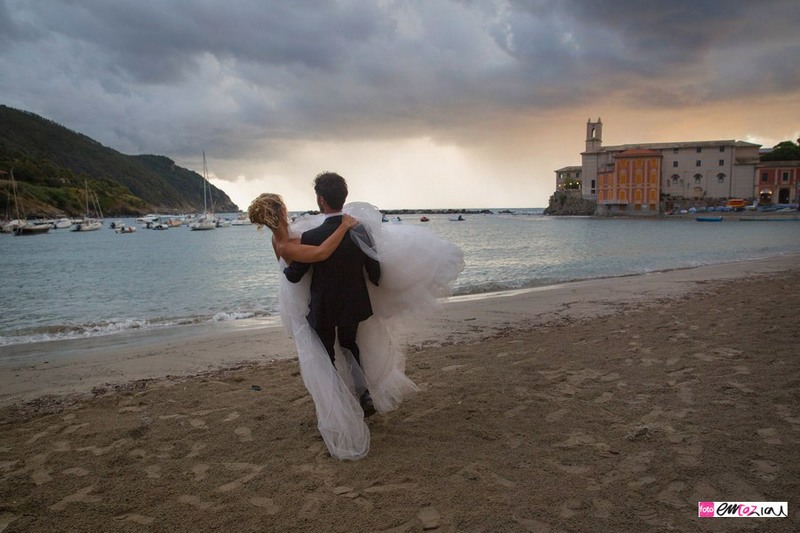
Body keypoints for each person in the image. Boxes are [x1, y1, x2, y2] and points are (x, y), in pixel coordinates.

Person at [284, 173, 381, 417]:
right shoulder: (361, 232)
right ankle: (364, 394)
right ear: (343, 197)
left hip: (325, 306)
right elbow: (375, 271)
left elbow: (295, 275)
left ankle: (336, 403)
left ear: (321, 200)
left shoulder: (311, 237)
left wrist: (283, 263)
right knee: (349, 344)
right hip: (353, 302)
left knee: (326, 353)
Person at [247, 192, 359, 264]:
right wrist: (343, 226)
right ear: (281, 211)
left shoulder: (276, 237)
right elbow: (321, 253)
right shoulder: (285, 247)